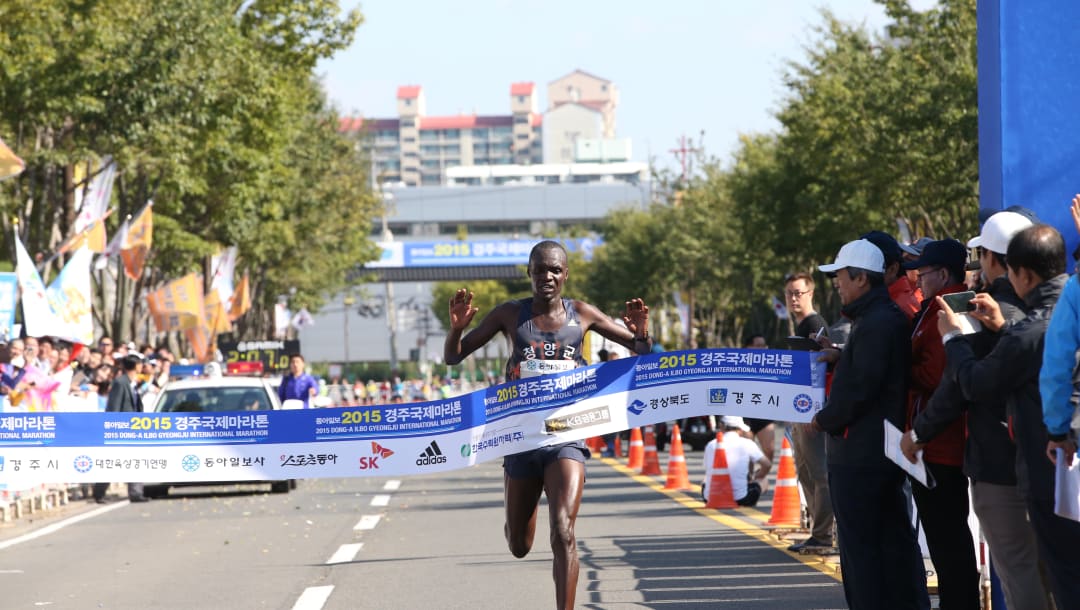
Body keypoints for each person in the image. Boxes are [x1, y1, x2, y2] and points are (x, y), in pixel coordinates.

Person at [444, 240, 652, 610]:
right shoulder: (510, 314)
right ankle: (514, 499)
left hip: (566, 437)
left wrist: (641, 333)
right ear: (529, 273)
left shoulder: (582, 314)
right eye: (540, 270)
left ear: (566, 275)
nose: (548, 277)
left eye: (555, 270)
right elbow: (453, 357)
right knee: (519, 546)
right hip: (521, 439)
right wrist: (457, 329)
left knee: (563, 531)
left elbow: (640, 350)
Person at [902, 211, 1050, 610]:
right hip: (1046, 459)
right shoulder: (1051, 311)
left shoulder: (979, 312)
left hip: (998, 462)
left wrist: (919, 433)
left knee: (1018, 568)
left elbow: (959, 385)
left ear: (991, 257)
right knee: (1049, 567)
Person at [938, 224, 1080, 608]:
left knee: (1056, 575)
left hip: (1049, 466)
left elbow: (979, 383)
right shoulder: (1065, 305)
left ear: (1023, 274)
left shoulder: (1030, 332)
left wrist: (953, 338)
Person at [811, 239, 929, 609]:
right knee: (888, 544)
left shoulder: (877, 321)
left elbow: (861, 388)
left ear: (861, 278)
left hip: (861, 455)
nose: (837, 284)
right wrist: (840, 355)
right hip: (874, 452)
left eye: (841, 277)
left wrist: (823, 419)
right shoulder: (879, 318)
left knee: (863, 553)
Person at [897, 239, 980, 609]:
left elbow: (940, 374)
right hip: (932, 440)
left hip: (942, 444)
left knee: (950, 543)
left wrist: (901, 370)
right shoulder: (933, 307)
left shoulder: (951, 308)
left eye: (924, 272)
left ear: (943, 273)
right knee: (945, 542)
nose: (918, 279)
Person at [781, 272, 835, 553]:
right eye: (789, 293)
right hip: (798, 410)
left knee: (819, 473)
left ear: (810, 293)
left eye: (798, 293)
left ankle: (825, 534)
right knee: (805, 471)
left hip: (812, 410)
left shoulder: (816, 325)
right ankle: (819, 531)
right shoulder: (802, 325)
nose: (793, 298)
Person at [92, 355, 147, 503]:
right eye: (140, 365)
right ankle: (99, 492)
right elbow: (114, 407)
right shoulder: (120, 383)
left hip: (134, 428)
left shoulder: (133, 383)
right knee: (114, 462)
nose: (142, 367)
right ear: (135, 366)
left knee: (135, 460)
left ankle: (136, 492)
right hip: (121, 429)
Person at [701, 416, 771, 506]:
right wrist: (757, 476)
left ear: (721, 426)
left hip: (710, 498)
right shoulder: (747, 443)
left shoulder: (711, 444)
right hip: (741, 499)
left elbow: (708, 470)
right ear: (739, 429)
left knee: (705, 479)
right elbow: (767, 464)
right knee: (763, 480)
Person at [861, 230, 921, 321]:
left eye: (870, 265)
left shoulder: (899, 308)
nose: (860, 276)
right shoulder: (887, 302)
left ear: (893, 269)